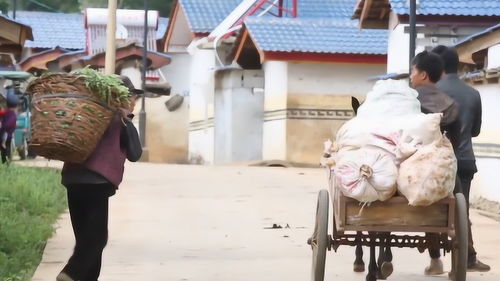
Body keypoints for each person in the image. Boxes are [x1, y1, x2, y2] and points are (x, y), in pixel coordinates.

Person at [57, 76, 142, 281]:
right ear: (124, 98)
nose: (134, 103)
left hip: (72, 179)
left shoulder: (85, 113)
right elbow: (135, 153)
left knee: (85, 239)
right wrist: (127, 122)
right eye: (133, 98)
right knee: (97, 239)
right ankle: (70, 273)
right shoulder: (119, 119)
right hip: (97, 181)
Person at [431, 45, 490, 272]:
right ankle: (468, 257)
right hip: (465, 161)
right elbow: (474, 131)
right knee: (461, 209)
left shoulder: (430, 92)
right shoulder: (473, 94)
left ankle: (435, 258)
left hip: (435, 162)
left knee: (431, 208)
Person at [410, 51, 462, 276]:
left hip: (408, 165)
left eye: (413, 71)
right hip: (438, 170)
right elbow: (456, 142)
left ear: (422, 74)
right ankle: (437, 259)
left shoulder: (407, 101)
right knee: (447, 198)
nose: (411, 75)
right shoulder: (451, 105)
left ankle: (382, 255)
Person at [0, 88, 19, 164]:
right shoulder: (13, 115)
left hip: (4, 134)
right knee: (5, 148)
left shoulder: (5, 112)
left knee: (4, 148)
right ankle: (6, 162)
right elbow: (8, 124)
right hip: (7, 134)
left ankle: (5, 161)